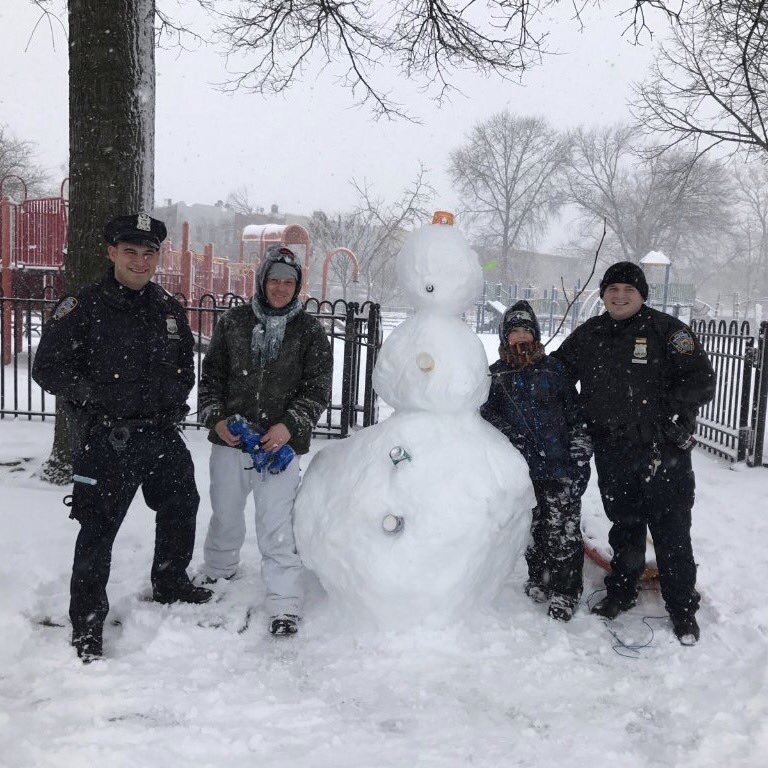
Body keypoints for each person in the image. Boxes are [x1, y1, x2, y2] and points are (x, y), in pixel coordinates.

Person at [32, 213, 212, 663]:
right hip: (108, 439)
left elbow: (184, 365)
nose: (140, 261)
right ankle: (87, 624)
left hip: (160, 433)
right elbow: (47, 368)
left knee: (182, 504)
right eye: (130, 251)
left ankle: (170, 581)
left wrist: (175, 398)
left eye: (149, 253)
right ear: (111, 252)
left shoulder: (167, 308)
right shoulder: (83, 306)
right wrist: (94, 396)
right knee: (97, 530)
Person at [552, 261, 715, 645]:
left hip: (662, 452)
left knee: (671, 531)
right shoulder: (590, 334)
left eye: (629, 289)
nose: (620, 296)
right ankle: (622, 592)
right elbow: (557, 374)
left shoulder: (668, 332)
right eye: (613, 289)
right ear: (603, 294)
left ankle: (682, 608)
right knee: (624, 526)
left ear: (642, 295)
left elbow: (702, 381)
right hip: (613, 450)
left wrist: (667, 411)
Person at [197, 244, 333, 636]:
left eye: (288, 282)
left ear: (297, 286)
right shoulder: (233, 323)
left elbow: (317, 390)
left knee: (276, 526)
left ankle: (284, 602)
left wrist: (289, 425)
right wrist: (217, 419)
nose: (280, 288)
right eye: (274, 279)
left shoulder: (309, 332)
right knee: (225, 513)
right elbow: (211, 380)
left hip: (279, 449)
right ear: (262, 281)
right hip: (231, 442)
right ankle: (219, 570)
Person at [481, 300, 592, 622]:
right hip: (522, 472)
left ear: (536, 334)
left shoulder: (553, 371)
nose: (520, 337)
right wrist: (509, 438)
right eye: (514, 331)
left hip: (560, 469)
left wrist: (579, 453)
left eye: (526, 331)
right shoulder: (496, 376)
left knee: (563, 533)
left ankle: (565, 591)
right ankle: (539, 578)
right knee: (534, 531)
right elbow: (485, 417)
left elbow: (576, 416)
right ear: (504, 337)